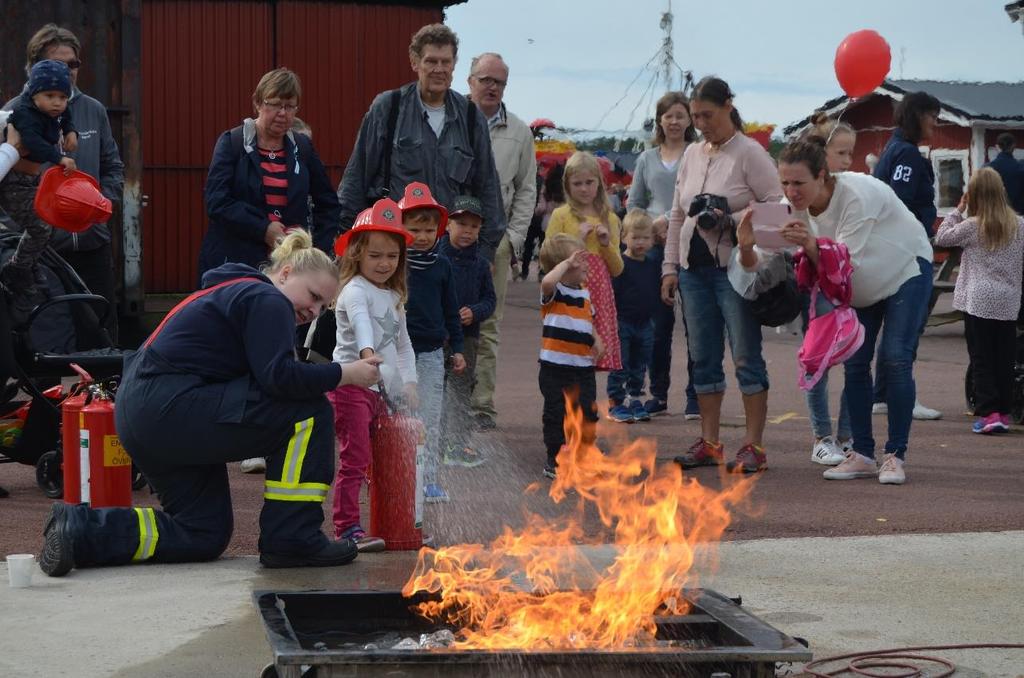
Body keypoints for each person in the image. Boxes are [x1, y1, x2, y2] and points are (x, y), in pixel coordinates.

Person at [38, 231, 385, 577]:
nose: (314, 310)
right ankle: (293, 537)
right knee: (309, 412)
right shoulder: (267, 299)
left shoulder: (235, 292)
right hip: (169, 407)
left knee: (203, 532)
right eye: (313, 296)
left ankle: (82, 531)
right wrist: (346, 373)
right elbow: (278, 378)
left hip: (145, 415)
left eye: (324, 306)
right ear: (285, 272)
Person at [777, 136, 933, 485]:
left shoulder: (856, 196)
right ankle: (862, 454)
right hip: (862, 288)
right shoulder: (791, 205)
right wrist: (747, 240)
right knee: (856, 362)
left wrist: (808, 244)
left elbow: (844, 263)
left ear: (822, 175)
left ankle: (895, 455)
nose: (791, 191)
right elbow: (768, 248)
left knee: (895, 357)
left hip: (906, 268)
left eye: (799, 183)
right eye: (784, 182)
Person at [660, 76, 782, 474]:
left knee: (746, 354)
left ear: (729, 105)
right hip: (694, 271)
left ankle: (755, 446)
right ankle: (710, 442)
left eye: (707, 115)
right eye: (696, 117)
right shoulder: (693, 154)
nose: (701, 124)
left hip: (735, 271)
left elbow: (777, 208)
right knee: (703, 357)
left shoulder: (751, 153)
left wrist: (726, 218)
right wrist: (669, 267)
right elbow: (678, 212)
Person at [336, 24, 506, 262]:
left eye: (445, 62)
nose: (439, 69)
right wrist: (347, 240)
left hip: (451, 254)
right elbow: (356, 178)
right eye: (431, 61)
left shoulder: (470, 117)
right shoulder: (388, 108)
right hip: (392, 249)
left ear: (454, 64)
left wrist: (484, 255)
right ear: (415, 63)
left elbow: (488, 188)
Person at [3, 23, 125, 339]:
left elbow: (113, 167)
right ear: (34, 68)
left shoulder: (93, 110)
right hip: (44, 254)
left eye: (73, 64)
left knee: (100, 340)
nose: (68, 71)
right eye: (58, 64)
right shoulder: (13, 114)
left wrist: (100, 205)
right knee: (47, 347)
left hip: (92, 245)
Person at [328, 198, 417, 552]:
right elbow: (363, 324)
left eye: (391, 256)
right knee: (355, 458)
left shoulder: (394, 296)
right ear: (357, 255)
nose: (384, 263)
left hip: (379, 392)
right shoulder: (353, 290)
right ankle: (346, 528)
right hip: (351, 386)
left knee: (384, 460)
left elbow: (404, 345)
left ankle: (388, 522)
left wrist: (409, 382)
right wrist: (366, 355)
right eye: (375, 255)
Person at [199, 67, 340, 280]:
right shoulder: (232, 143)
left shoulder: (302, 148)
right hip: (235, 264)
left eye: (290, 106)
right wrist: (263, 229)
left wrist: (315, 250)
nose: (283, 113)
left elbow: (328, 203)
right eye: (274, 104)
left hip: (289, 269)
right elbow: (216, 201)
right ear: (257, 102)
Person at [466, 52, 537, 431]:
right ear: (470, 81)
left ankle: (481, 405)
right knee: (445, 322)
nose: (492, 87)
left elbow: (527, 190)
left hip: (495, 243)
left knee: (488, 325)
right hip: (450, 242)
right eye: (485, 79)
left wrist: (513, 239)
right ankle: (447, 401)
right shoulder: (454, 122)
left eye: (500, 82)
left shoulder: (519, 132)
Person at [934, 168, 1024, 433]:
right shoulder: (1019, 224)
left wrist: (957, 209)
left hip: (979, 299)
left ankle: (988, 413)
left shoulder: (973, 225)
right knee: (1004, 358)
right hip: (1008, 300)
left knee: (981, 357)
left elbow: (942, 238)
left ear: (974, 195)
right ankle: (1004, 411)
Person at [628, 91, 699, 419]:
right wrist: (646, 226)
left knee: (697, 322)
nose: (674, 121)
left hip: (691, 241)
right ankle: (657, 391)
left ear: (690, 120)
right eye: (668, 115)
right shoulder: (647, 158)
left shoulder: (697, 155)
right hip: (655, 248)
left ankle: (697, 394)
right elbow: (634, 203)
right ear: (660, 120)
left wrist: (673, 219)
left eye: (680, 115)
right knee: (659, 324)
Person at [872, 91, 943, 421]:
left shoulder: (894, 147)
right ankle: (902, 397)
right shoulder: (908, 155)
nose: (936, 122)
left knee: (894, 331)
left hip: (893, 251)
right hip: (908, 253)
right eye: (932, 115)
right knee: (906, 329)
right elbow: (897, 205)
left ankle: (884, 394)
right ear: (917, 116)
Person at [398, 182, 465, 503]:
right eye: (414, 229)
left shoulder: (442, 265)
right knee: (397, 416)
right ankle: (397, 475)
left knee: (429, 418)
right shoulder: (395, 264)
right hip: (398, 352)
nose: (422, 236)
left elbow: (451, 310)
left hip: (432, 353)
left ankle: (429, 480)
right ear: (400, 228)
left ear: (438, 230)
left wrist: (459, 349)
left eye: (428, 230)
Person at [797, 112, 856, 466]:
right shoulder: (805, 189)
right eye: (842, 153)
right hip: (818, 290)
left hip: (851, 285)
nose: (849, 161)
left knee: (855, 361)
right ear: (822, 157)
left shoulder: (854, 190)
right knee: (816, 361)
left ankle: (847, 436)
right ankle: (821, 436)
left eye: (852, 153)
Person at [0, 59, 77, 323]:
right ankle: (18, 269)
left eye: (63, 97)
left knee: (47, 224)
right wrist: (58, 158)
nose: (58, 103)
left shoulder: (54, 112)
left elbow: (66, 116)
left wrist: (71, 131)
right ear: (34, 95)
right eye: (50, 96)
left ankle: (26, 266)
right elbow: (31, 141)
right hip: (14, 183)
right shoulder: (23, 115)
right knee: (40, 226)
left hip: (33, 180)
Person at [546, 151, 623, 372]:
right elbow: (547, 258)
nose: (583, 188)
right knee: (570, 348)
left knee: (593, 353)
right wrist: (576, 241)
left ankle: (584, 402)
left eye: (589, 182)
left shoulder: (610, 218)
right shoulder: (561, 216)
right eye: (577, 183)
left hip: (598, 292)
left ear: (599, 182)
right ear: (567, 185)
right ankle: (569, 402)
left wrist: (606, 245)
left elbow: (617, 269)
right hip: (569, 291)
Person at [537, 234, 604, 480]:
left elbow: (589, 321)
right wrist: (565, 264)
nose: (586, 264)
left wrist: (597, 339)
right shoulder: (554, 292)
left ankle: (584, 454)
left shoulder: (584, 294)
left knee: (587, 411)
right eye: (580, 260)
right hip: (554, 368)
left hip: (582, 367)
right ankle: (554, 458)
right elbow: (547, 281)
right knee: (556, 414)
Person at [439, 195, 495, 463]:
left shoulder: (481, 265)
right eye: (461, 223)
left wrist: (475, 312)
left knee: (461, 390)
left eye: (474, 226)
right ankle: (432, 443)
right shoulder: (436, 258)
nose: (467, 231)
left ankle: (457, 444)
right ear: (448, 225)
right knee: (434, 387)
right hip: (437, 336)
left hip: (468, 337)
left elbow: (490, 300)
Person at [606, 210, 661, 423]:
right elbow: (613, 293)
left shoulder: (652, 263)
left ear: (652, 240)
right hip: (623, 322)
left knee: (640, 364)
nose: (640, 242)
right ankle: (616, 402)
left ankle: (635, 397)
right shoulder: (621, 264)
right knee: (620, 364)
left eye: (645, 238)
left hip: (645, 322)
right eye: (635, 237)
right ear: (623, 237)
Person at [522, 164, 565, 280]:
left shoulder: (547, 186)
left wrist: (536, 212)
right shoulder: (566, 187)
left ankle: (534, 270)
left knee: (543, 247)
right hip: (563, 221)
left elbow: (541, 208)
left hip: (547, 221)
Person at [984, 133, 1024, 215]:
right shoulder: (1021, 167)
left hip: (994, 217)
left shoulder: (987, 169)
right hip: (1018, 217)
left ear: (997, 147)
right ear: (1013, 146)